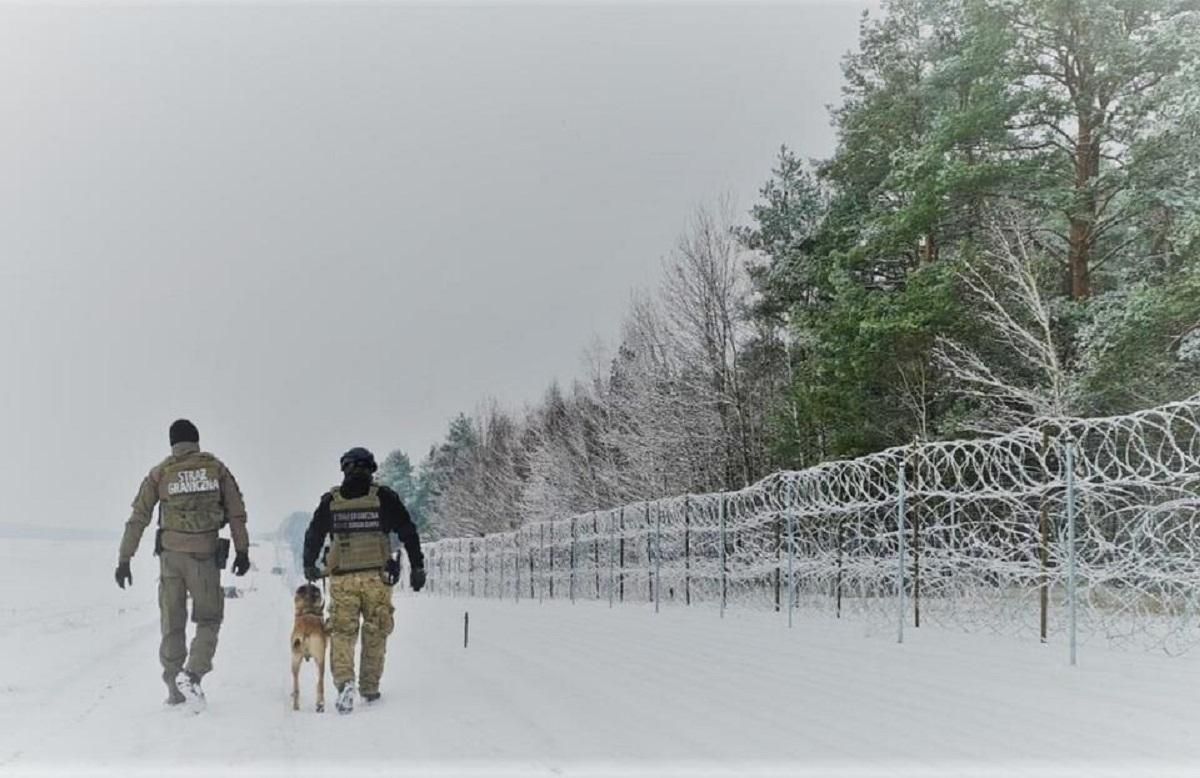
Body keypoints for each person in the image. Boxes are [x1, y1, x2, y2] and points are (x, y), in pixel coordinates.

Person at [114, 419, 250, 710]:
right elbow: (236, 513)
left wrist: (124, 558)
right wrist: (242, 551)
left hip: (170, 558)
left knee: (172, 623)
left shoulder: (160, 472)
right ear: (197, 441)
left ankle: (174, 690)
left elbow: (139, 517)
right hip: (204, 556)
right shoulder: (216, 469)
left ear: (172, 443)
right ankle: (193, 674)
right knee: (209, 619)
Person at [302, 446, 425, 714]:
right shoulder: (384, 498)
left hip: (343, 580)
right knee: (376, 631)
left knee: (343, 633)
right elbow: (408, 530)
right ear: (372, 468)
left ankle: (345, 683)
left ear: (344, 468)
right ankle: (369, 687)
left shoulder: (331, 501)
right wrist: (417, 566)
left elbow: (313, 534)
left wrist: (309, 565)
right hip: (376, 578)